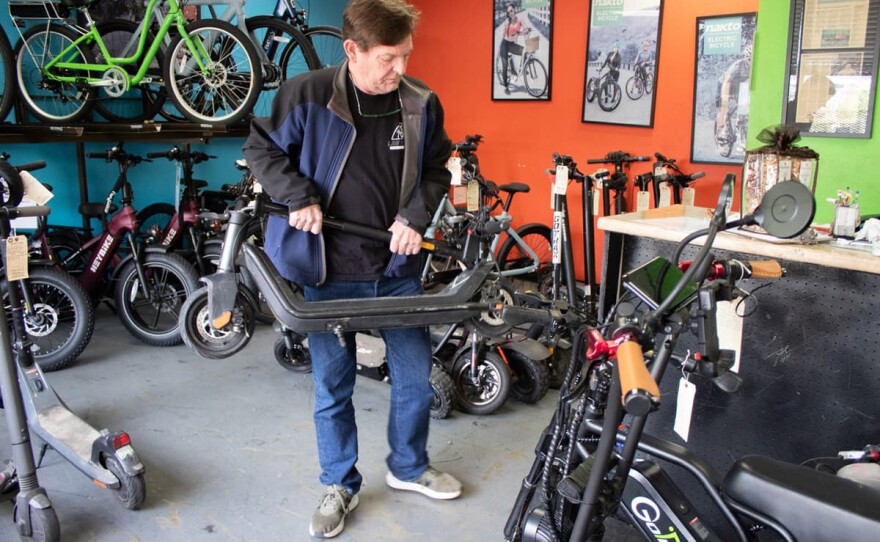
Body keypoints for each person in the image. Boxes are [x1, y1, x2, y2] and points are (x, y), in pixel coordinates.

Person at [242, 0, 461, 538]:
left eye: (406, 55)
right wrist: (297, 195)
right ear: (352, 51)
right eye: (388, 58)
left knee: (414, 379)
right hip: (328, 270)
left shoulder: (420, 102)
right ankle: (340, 483)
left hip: (396, 267)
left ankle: (408, 466)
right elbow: (261, 149)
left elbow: (438, 169)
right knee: (333, 386)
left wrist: (414, 216)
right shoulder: (306, 95)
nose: (400, 69)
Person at [498, 2, 531, 94]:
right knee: (505, 65)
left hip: (512, 45)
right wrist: (499, 48)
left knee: (525, 52)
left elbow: (526, 29)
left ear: (514, 10)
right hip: (505, 44)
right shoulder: (507, 22)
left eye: (511, 11)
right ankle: (506, 85)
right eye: (508, 12)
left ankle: (522, 70)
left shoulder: (520, 19)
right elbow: (503, 35)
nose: (510, 13)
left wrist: (519, 33)